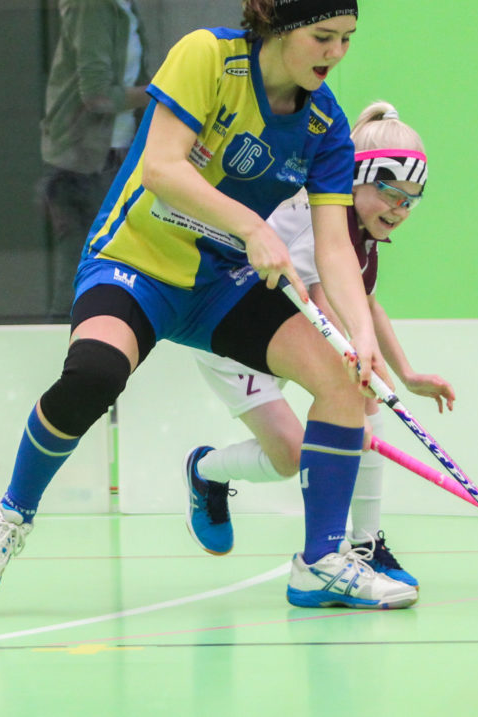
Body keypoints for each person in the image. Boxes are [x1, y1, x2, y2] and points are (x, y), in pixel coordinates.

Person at [0, 0, 418, 611]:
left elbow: (336, 249)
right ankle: (8, 519)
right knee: (94, 375)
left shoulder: (325, 126)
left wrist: (360, 340)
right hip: (136, 259)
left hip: (218, 286)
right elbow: (162, 168)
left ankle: (320, 562)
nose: (335, 52)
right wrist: (253, 227)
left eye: (346, 39)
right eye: (323, 37)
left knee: (342, 379)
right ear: (280, 26)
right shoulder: (206, 57)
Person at [182, 101, 456, 588]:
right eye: (391, 193)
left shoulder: (364, 233)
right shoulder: (317, 218)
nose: (400, 209)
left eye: (412, 199)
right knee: (292, 452)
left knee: (354, 403)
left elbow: (365, 305)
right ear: (356, 178)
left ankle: (366, 545)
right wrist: (370, 386)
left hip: (293, 338)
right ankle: (206, 471)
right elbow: (324, 302)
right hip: (235, 339)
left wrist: (406, 377)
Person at [39, 0, 152, 321]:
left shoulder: (123, 2)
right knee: (80, 268)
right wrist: (160, 94)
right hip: (84, 163)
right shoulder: (92, 4)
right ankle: (67, 359)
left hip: (114, 156)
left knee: (108, 263)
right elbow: (98, 94)